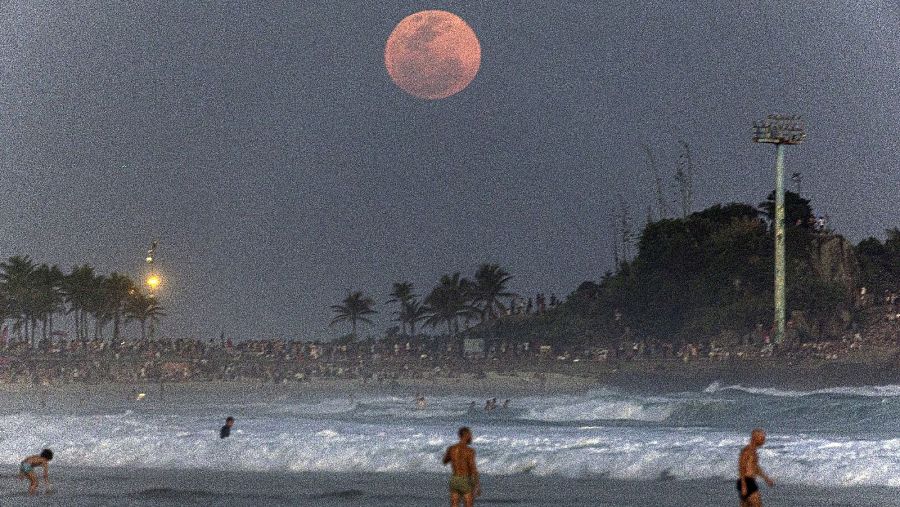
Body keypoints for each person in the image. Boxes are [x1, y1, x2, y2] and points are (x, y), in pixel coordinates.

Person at [443, 427, 481, 507]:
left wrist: (454, 458)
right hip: (465, 480)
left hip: (454, 479)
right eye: (470, 435)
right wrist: (477, 485)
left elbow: (445, 461)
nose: (471, 437)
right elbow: (473, 468)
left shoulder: (451, 449)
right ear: (466, 435)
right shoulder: (470, 451)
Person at [737, 429, 774, 506]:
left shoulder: (754, 451)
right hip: (746, 482)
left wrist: (766, 478)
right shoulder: (747, 450)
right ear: (755, 438)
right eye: (762, 438)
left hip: (749, 482)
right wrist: (744, 485)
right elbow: (741, 467)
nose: (764, 441)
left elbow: (755, 467)